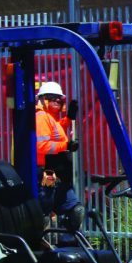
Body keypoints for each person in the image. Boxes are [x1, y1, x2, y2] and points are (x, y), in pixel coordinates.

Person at [34, 81, 85, 235]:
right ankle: (39, 248)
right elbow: (41, 145)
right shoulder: (41, 117)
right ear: (43, 99)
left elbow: (56, 131)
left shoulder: (51, 118)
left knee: (76, 211)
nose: (57, 101)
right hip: (48, 174)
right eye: (52, 98)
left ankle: (67, 242)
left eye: (59, 99)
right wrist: (66, 146)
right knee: (43, 216)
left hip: (58, 175)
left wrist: (69, 118)